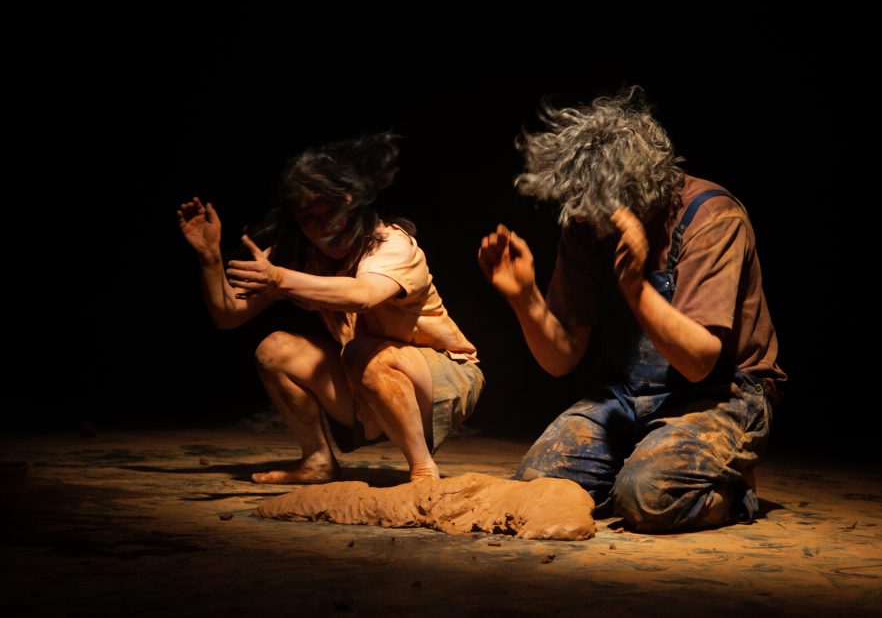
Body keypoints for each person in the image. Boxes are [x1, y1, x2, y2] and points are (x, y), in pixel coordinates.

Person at [478, 87, 785, 532]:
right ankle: (639, 462)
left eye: (592, 206)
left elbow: (699, 362)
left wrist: (635, 288)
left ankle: (730, 490)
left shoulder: (711, 218)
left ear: (635, 190)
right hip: (625, 394)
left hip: (720, 394)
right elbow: (562, 358)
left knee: (646, 498)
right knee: (537, 482)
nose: (580, 218)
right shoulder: (585, 226)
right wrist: (524, 298)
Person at [178, 133, 483, 484]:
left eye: (332, 210)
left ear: (352, 203)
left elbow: (364, 295)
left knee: (364, 354)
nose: (325, 225)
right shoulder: (302, 256)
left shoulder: (391, 243)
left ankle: (422, 469)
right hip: (367, 379)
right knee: (274, 350)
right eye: (310, 217)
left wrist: (280, 278)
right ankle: (317, 461)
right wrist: (210, 258)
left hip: (444, 377)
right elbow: (228, 314)